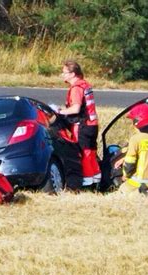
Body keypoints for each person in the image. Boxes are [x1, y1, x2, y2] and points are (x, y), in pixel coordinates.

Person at [58, 60, 101, 190]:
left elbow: (75, 109)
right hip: (92, 125)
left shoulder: (76, 88)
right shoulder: (85, 85)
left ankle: (86, 186)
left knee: (84, 155)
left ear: (73, 74)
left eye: (64, 72)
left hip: (82, 126)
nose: (62, 75)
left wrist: (59, 111)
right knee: (92, 154)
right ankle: (96, 183)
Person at [118, 103, 148, 194]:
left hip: (141, 180)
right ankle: (147, 189)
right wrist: (123, 158)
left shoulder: (136, 139)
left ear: (137, 122)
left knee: (122, 190)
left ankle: (141, 191)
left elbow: (129, 164)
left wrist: (125, 177)